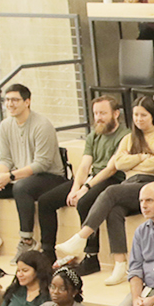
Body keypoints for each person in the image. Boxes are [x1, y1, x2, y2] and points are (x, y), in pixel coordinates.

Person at [56, 98, 154, 287]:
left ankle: (82, 237)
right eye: (136, 115)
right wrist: (142, 157)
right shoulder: (129, 138)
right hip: (131, 184)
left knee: (111, 191)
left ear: (153, 115)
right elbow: (119, 163)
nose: (139, 119)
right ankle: (120, 265)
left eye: (143, 115)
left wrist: (133, 163)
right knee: (114, 210)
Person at [0, 83, 63, 260]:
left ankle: (27, 241)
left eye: (15, 100)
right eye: (7, 100)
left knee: (21, 187)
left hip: (50, 177)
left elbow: (42, 164)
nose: (9, 104)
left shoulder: (42, 125)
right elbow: (5, 158)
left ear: (27, 102)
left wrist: (11, 176)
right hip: (20, 176)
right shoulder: (5, 126)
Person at [36, 94, 127, 267]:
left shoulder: (125, 136)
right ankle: (48, 253)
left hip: (113, 179)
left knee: (84, 202)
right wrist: (75, 188)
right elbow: (84, 165)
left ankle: (91, 256)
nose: (98, 118)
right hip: (92, 178)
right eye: (96, 113)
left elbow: (111, 169)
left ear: (116, 114)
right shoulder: (94, 135)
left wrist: (85, 187)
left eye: (103, 113)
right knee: (45, 201)